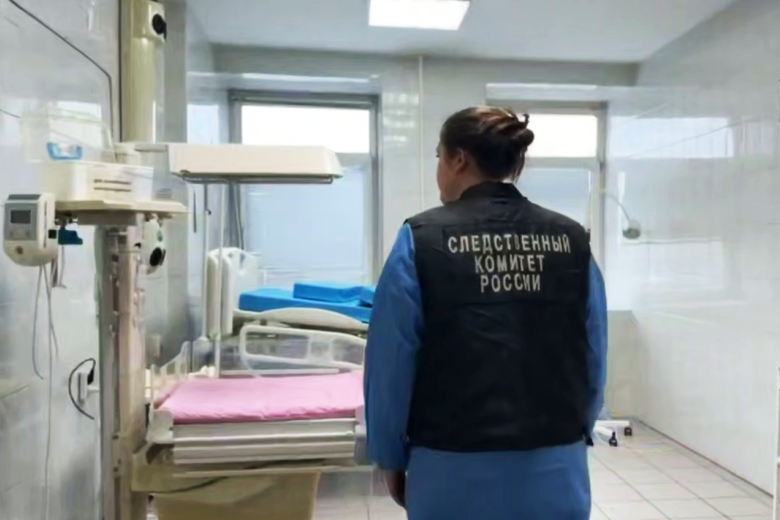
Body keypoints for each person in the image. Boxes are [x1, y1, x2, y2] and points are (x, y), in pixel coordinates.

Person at [363, 106, 608, 520]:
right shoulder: (572, 241)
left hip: (450, 469)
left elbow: (391, 365)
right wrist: (575, 432)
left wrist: (388, 455)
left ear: (458, 159)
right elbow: (594, 357)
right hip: (555, 468)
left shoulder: (419, 241)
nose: (438, 170)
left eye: (439, 157)